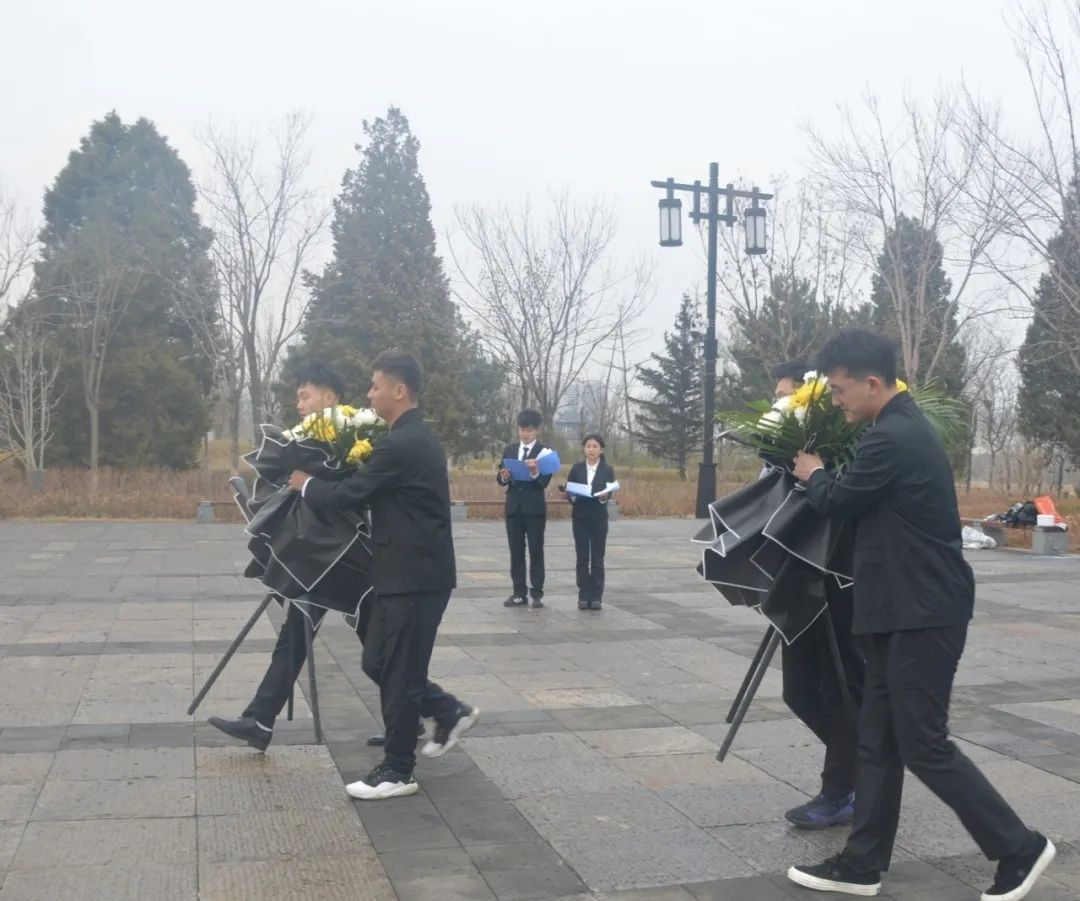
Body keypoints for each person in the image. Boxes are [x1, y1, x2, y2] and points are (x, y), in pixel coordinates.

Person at [787, 330, 1054, 900]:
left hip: (923, 613)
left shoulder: (895, 437)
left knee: (922, 743)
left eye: (839, 390)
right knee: (879, 741)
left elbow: (838, 501)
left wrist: (813, 472)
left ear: (872, 383)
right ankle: (862, 863)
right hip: (898, 610)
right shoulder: (893, 429)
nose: (836, 400)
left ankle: (1019, 847)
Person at [287, 350, 479, 800]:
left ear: (399, 390)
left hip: (415, 576)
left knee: (397, 671)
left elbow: (353, 493)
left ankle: (398, 769)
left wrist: (306, 484)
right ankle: (446, 711)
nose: (369, 395)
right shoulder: (405, 439)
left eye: (375, 387)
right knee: (380, 662)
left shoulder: (401, 444)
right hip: (404, 573)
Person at [208, 361, 405, 752]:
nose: (299, 404)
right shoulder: (314, 438)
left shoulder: (350, 437)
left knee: (377, 647)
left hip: (347, 557)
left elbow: (347, 492)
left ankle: (427, 712)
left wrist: (308, 480)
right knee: (298, 633)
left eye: (305, 396)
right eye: (297, 397)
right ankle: (260, 719)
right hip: (317, 558)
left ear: (328, 397)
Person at [768, 361, 865, 830]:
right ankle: (870, 765)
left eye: (788, 399)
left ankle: (842, 789)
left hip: (839, 586)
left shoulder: (849, 449)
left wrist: (817, 476)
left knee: (840, 690)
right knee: (799, 691)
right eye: (777, 399)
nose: (779, 406)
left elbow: (846, 505)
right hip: (798, 582)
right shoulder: (788, 455)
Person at [497, 409, 551, 608]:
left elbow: (544, 482)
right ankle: (518, 592)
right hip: (514, 508)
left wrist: (535, 472)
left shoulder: (544, 453)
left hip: (534, 508)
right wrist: (504, 476)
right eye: (522, 429)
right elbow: (500, 478)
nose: (525, 434)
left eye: (529, 430)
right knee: (516, 550)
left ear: (537, 430)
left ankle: (537, 593)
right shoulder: (510, 450)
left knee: (536, 550)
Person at [559, 433, 615, 611]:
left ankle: (596, 596)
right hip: (581, 517)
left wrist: (604, 496)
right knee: (582, 557)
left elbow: (610, 491)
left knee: (597, 557)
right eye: (588, 446)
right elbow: (570, 490)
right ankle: (583, 595)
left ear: (601, 450)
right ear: (584, 449)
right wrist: (568, 495)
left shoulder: (607, 469)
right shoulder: (577, 468)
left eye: (595, 446)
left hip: (598, 517)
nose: (591, 450)